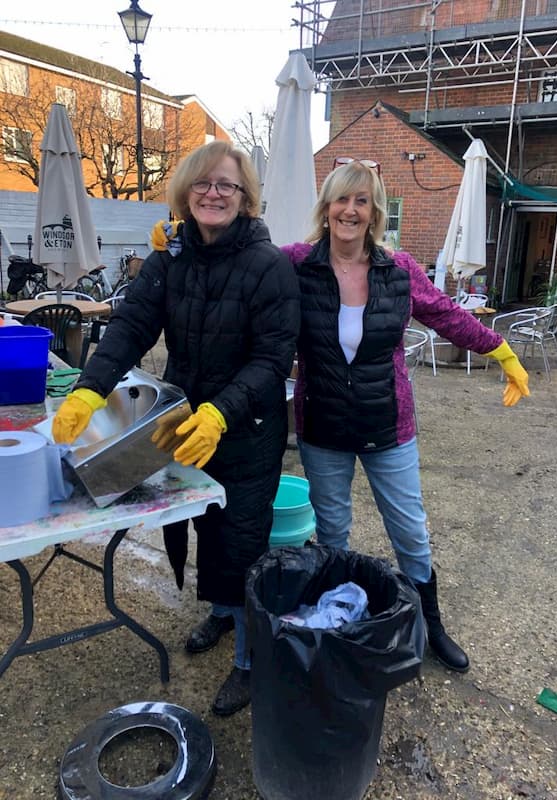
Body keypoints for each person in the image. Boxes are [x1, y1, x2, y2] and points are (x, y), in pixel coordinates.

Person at [51, 140, 300, 716]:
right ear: (186, 191)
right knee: (203, 528)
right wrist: (89, 388)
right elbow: (133, 324)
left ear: (245, 198)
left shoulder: (270, 266)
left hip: (246, 428)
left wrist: (221, 413)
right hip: (182, 424)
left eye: (226, 186)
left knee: (240, 541)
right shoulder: (170, 258)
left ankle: (247, 658)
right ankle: (219, 613)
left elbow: (272, 358)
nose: (213, 193)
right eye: (203, 183)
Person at [278, 157, 530, 672]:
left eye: (362, 201)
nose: (350, 209)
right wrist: (180, 241)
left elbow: (446, 314)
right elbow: (242, 267)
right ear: (326, 209)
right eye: (342, 199)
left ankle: (428, 622)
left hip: (388, 424)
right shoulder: (294, 263)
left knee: (410, 530)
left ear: (374, 214)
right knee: (332, 531)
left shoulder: (400, 270)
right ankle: (337, 618)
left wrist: (500, 350)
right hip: (322, 424)